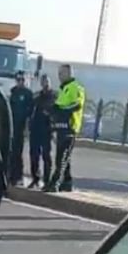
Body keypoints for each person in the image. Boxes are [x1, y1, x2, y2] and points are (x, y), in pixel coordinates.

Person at [46, 64, 85, 193]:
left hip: (70, 127)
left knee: (61, 157)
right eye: (59, 73)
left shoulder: (75, 88)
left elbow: (76, 105)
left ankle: (54, 183)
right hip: (61, 127)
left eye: (62, 73)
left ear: (69, 73)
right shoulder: (64, 89)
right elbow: (59, 106)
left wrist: (60, 110)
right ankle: (67, 183)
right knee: (64, 157)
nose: (59, 76)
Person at [8, 72, 34, 186]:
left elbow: (30, 112)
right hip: (12, 127)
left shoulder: (28, 94)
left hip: (21, 127)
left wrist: (27, 127)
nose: (20, 82)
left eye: (22, 80)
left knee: (18, 152)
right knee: (11, 152)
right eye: (18, 79)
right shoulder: (13, 92)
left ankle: (18, 176)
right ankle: (10, 175)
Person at [29, 74, 54, 188]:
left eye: (47, 82)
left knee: (46, 156)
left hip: (47, 130)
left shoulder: (54, 96)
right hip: (35, 129)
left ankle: (47, 180)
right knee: (34, 155)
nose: (45, 84)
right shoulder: (37, 97)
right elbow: (31, 112)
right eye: (43, 82)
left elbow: (56, 112)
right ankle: (35, 178)